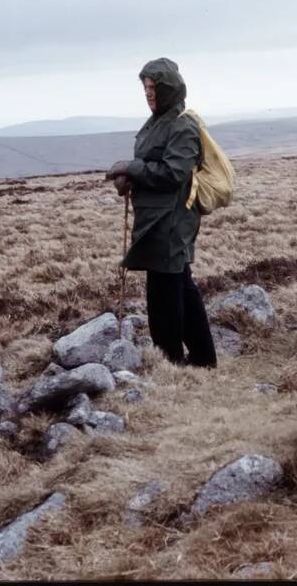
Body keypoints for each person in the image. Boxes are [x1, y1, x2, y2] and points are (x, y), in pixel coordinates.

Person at [105, 57, 217, 368]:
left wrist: (132, 168)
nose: (148, 93)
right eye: (145, 87)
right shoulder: (158, 121)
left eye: (153, 87)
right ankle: (204, 359)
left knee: (165, 292)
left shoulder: (183, 125)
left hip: (172, 219)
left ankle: (169, 362)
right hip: (157, 217)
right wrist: (131, 178)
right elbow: (154, 165)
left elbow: (173, 174)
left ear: (168, 88)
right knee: (179, 284)